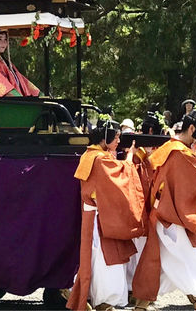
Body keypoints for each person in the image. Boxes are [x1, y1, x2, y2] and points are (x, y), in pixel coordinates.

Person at [132, 110, 196, 311]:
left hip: (164, 213)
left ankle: (142, 304)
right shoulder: (181, 154)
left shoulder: (170, 147)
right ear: (192, 128)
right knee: (195, 258)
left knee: (160, 259)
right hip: (172, 216)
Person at [67, 122, 146, 311]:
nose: (119, 140)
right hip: (101, 215)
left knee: (96, 258)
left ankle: (84, 293)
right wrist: (130, 155)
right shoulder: (100, 159)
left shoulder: (90, 155)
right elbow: (123, 176)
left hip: (93, 213)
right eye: (116, 137)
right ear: (104, 139)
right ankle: (104, 299)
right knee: (107, 259)